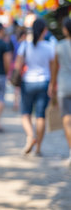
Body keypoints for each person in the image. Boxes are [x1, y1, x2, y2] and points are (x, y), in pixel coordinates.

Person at [15, 18, 54, 156]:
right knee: (40, 116)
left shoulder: (25, 45)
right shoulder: (49, 47)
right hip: (44, 82)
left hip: (28, 82)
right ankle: (38, 148)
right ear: (45, 30)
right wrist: (53, 84)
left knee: (25, 114)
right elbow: (53, 68)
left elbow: (18, 65)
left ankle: (30, 135)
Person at [49, 17, 71, 167]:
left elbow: (55, 68)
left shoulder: (60, 45)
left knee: (67, 119)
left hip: (64, 86)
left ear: (65, 29)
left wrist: (51, 85)